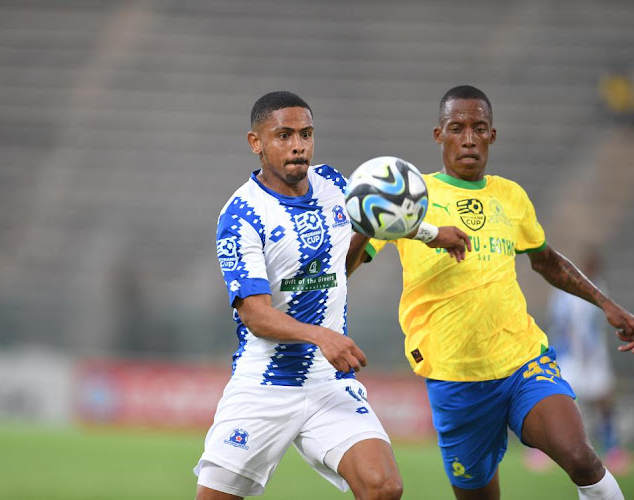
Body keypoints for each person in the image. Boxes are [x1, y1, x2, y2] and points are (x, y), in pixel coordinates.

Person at [351, 85, 634, 500]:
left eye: (479, 128)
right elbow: (345, 267)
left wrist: (606, 304)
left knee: (581, 458)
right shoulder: (409, 199)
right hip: (455, 380)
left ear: (491, 135)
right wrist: (365, 218)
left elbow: (547, 261)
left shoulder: (510, 196)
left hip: (522, 362)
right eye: (457, 128)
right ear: (438, 135)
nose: (468, 138)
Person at [193, 91, 471, 499]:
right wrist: (323, 336)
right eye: (283, 135)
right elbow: (255, 314)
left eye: (305, 134)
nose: (298, 145)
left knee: (384, 487)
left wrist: (431, 234)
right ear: (256, 143)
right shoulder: (242, 214)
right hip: (266, 384)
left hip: (328, 383)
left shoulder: (335, 185)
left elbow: (376, 215)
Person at [531, 249, 630, 474]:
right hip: (570, 358)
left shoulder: (600, 288)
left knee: (605, 402)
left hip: (594, 359)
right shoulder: (564, 294)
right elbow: (560, 323)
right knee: (554, 401)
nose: (590, 270)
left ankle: (612, 449)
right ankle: (541, 450)